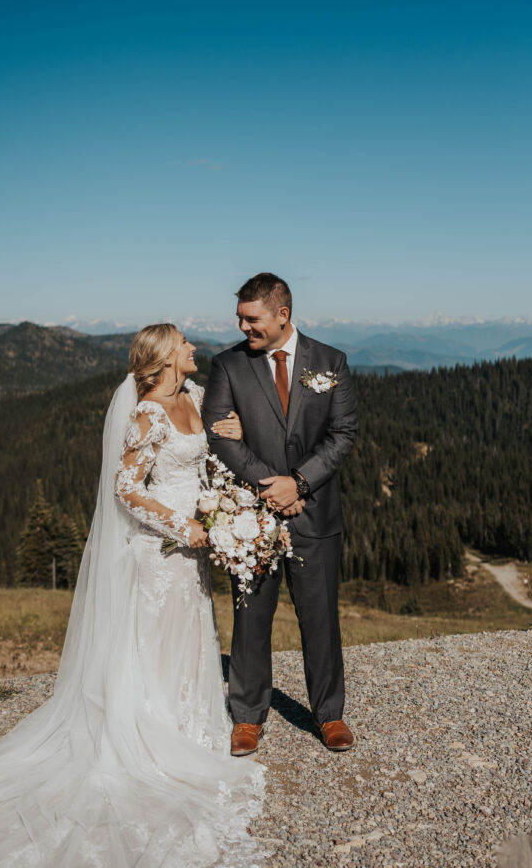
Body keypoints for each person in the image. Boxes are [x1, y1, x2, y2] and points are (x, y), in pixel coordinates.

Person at [0, 324, 264, 868]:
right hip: (161, 550)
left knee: (191, 633)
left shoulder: (195, 396)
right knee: (153, 639)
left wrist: (231, 441)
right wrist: (182, 524)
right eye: (184, 343)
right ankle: (152, 730)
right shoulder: (150, 413)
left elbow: (213, 440)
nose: (193, 347)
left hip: (195, 548)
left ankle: (190, 721)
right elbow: (125, 490)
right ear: (164, 357)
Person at [202, 273, 359, 757]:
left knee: (320, 618)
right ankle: (247, 716)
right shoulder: (227, 365)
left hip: (315, 515)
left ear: (282, 315)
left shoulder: (331, 362)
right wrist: (274, 488)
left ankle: (329, 714)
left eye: (252, 318)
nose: (242, 326)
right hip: (253, 515)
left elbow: (344, 434)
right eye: (240, 318)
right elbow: (219, 435)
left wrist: (302, 483)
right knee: (250, 617)